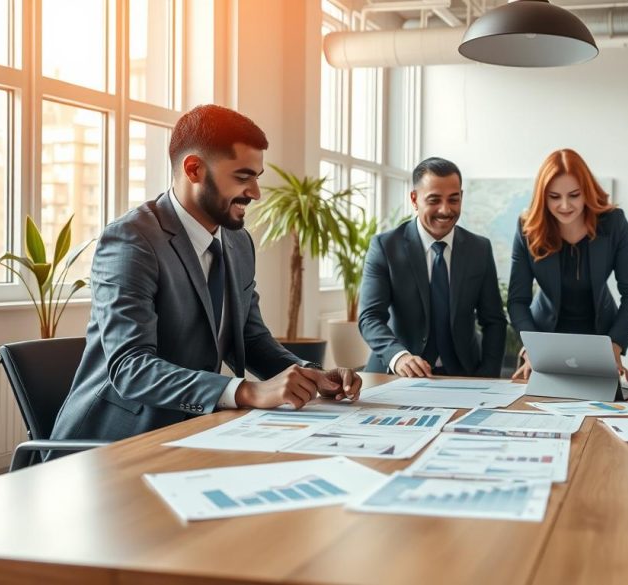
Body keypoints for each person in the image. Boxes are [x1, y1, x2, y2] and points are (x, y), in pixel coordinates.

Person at [51, 104, 360, 445]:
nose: (256, 193)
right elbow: (131, 368)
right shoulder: (131, 239)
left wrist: (311, 375)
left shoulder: (238, 242)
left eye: (257, 178)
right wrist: (248, 391)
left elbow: (251, 338)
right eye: (243, 177)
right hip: (112, 442)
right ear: (194, 169)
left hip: (194, 429)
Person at [358, 157, 506, 378]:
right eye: (434, 200)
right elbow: (369, 317)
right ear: (414, 199)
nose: (445, 210)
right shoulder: (385, 247)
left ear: (462, 197)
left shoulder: (480, 249)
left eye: (453, 199)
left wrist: (489, 374)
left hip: (465, 375)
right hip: (397, 376)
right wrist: (399, 357)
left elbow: (494, 320)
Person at [508, 148, 628, 380]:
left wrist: (615, 345)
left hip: (600, 341)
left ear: (587, 192)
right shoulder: (527, 228)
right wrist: (531, 347)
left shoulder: (614, 223)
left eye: (574, 195)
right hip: (544, 342)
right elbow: (517, 300)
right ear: (543, 196)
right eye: (554, 197)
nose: (564, 205)